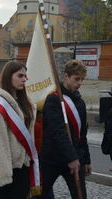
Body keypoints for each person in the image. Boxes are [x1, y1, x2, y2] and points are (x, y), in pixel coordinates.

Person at [0, 61, 39, 199]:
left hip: (22, 168)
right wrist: (4, 176)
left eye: (25, 76)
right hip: (1, 172)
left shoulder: (25, 102)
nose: (24, 79)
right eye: (20, 75)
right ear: (8, 76)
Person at [40, 60, 91, 199]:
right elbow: (57, 132)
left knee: (80, 195)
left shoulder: (80, 102)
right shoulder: (53, 99)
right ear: (66, 76)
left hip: (75, 157)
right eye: (76, 79)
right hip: (53, 157)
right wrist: (72, 157)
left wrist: (86, 159)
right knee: (39, 194)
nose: (80, 83)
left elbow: (82, 134)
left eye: (82, 79)